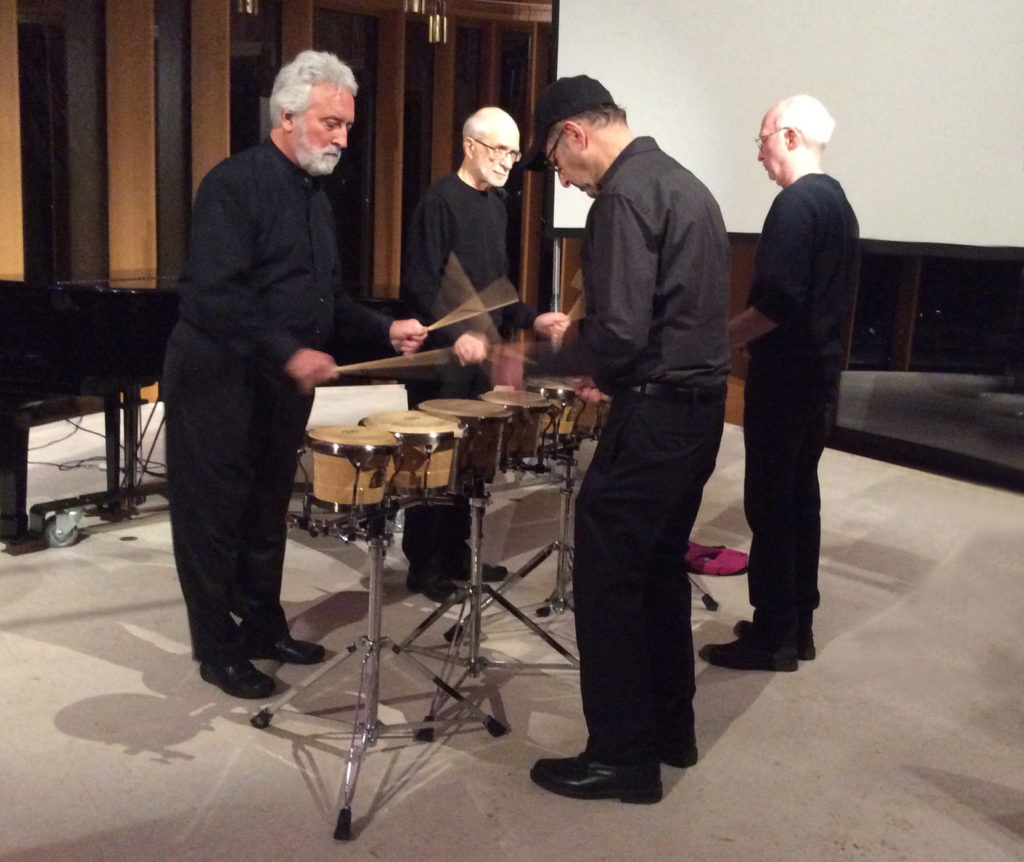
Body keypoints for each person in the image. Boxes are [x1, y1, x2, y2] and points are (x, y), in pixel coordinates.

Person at [163, 51, 427, 700]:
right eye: (331, 123)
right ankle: (216, 648)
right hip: (217, 378)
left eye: (346, 127)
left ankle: (262, 626)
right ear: (287, 115)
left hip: (277, 384)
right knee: (213, 519)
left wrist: (383, 328)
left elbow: (323, 302)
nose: (342, 138)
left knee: (264, 511)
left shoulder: (313, 196)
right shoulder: (233, 184)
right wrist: (288, 352)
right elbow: (214, 296)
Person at [521, 76, 731, 803]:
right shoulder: (685, 184)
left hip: (655, 419)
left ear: (575, 134)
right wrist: (609, 360)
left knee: (608, 579)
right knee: (658, 573)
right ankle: (672, 732)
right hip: (699, 415)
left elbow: (615, 332)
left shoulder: (621, 196)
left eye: (554, 160)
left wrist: (549, 351)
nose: (565, 180)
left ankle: (621, 757)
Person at [699, 95, 859, 672]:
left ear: (789, 137)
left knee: (770, 505)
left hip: (785, 381)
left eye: (763, 138)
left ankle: (773, 637)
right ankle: (798, 627)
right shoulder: (837, 202)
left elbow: (779, 303)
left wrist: (719, 338)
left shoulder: (795, 205)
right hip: (816, 379)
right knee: (799, 500)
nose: (759, 153)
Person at [399, 106, 570, 602]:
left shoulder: (495, 205)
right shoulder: (439, 202)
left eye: (515, 153)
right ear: (470, 146)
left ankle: (458, 555)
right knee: (436, 461)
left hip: (483, 355)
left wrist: (532, 317)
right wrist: (451, 338)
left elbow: (497, 290)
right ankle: (425, 566)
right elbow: (418, 287)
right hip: (443, 359)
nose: (508, 162)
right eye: (500, 150)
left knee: (474, 461)